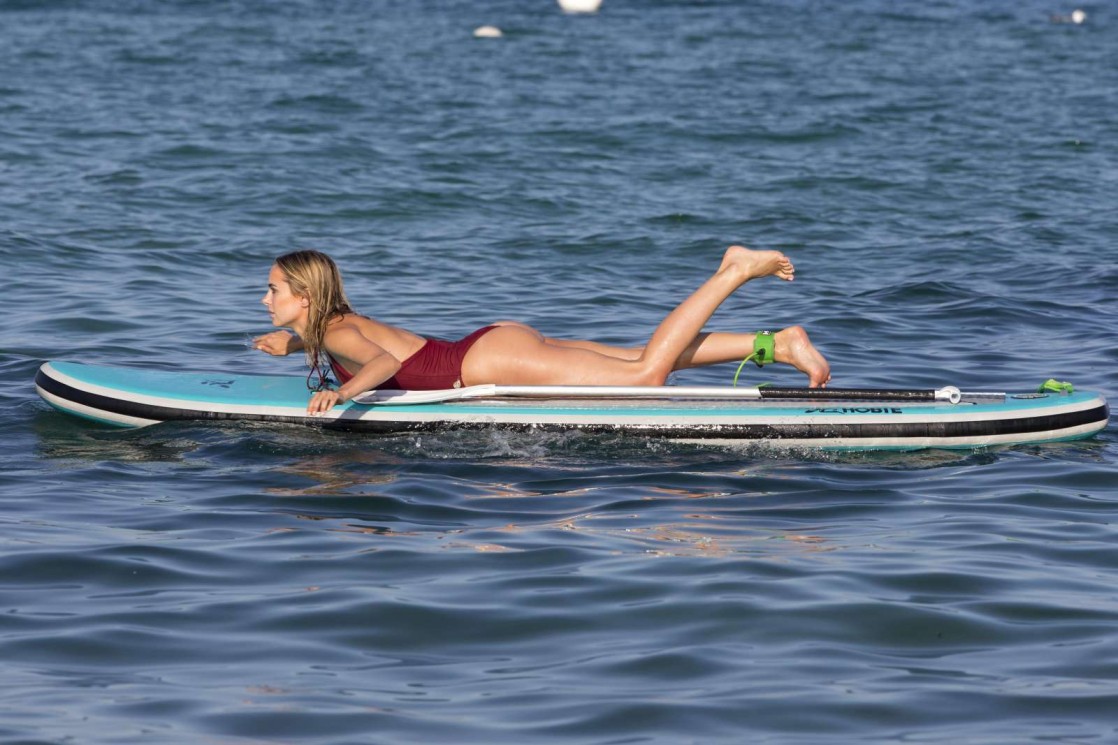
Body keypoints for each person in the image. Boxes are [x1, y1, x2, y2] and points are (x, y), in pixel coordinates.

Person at [254, 246, 831, 414]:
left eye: (274, 290)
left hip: (486, 364)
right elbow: (367, 345)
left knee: (645, 376)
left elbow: (380, 364)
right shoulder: (331, 325)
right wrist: (295, 341)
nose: (265, 298)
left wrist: (340, 392)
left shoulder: (335, 333)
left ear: (305, 298)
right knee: (643, 355)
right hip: (491, 345)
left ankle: (733, 271)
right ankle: (774, 345)